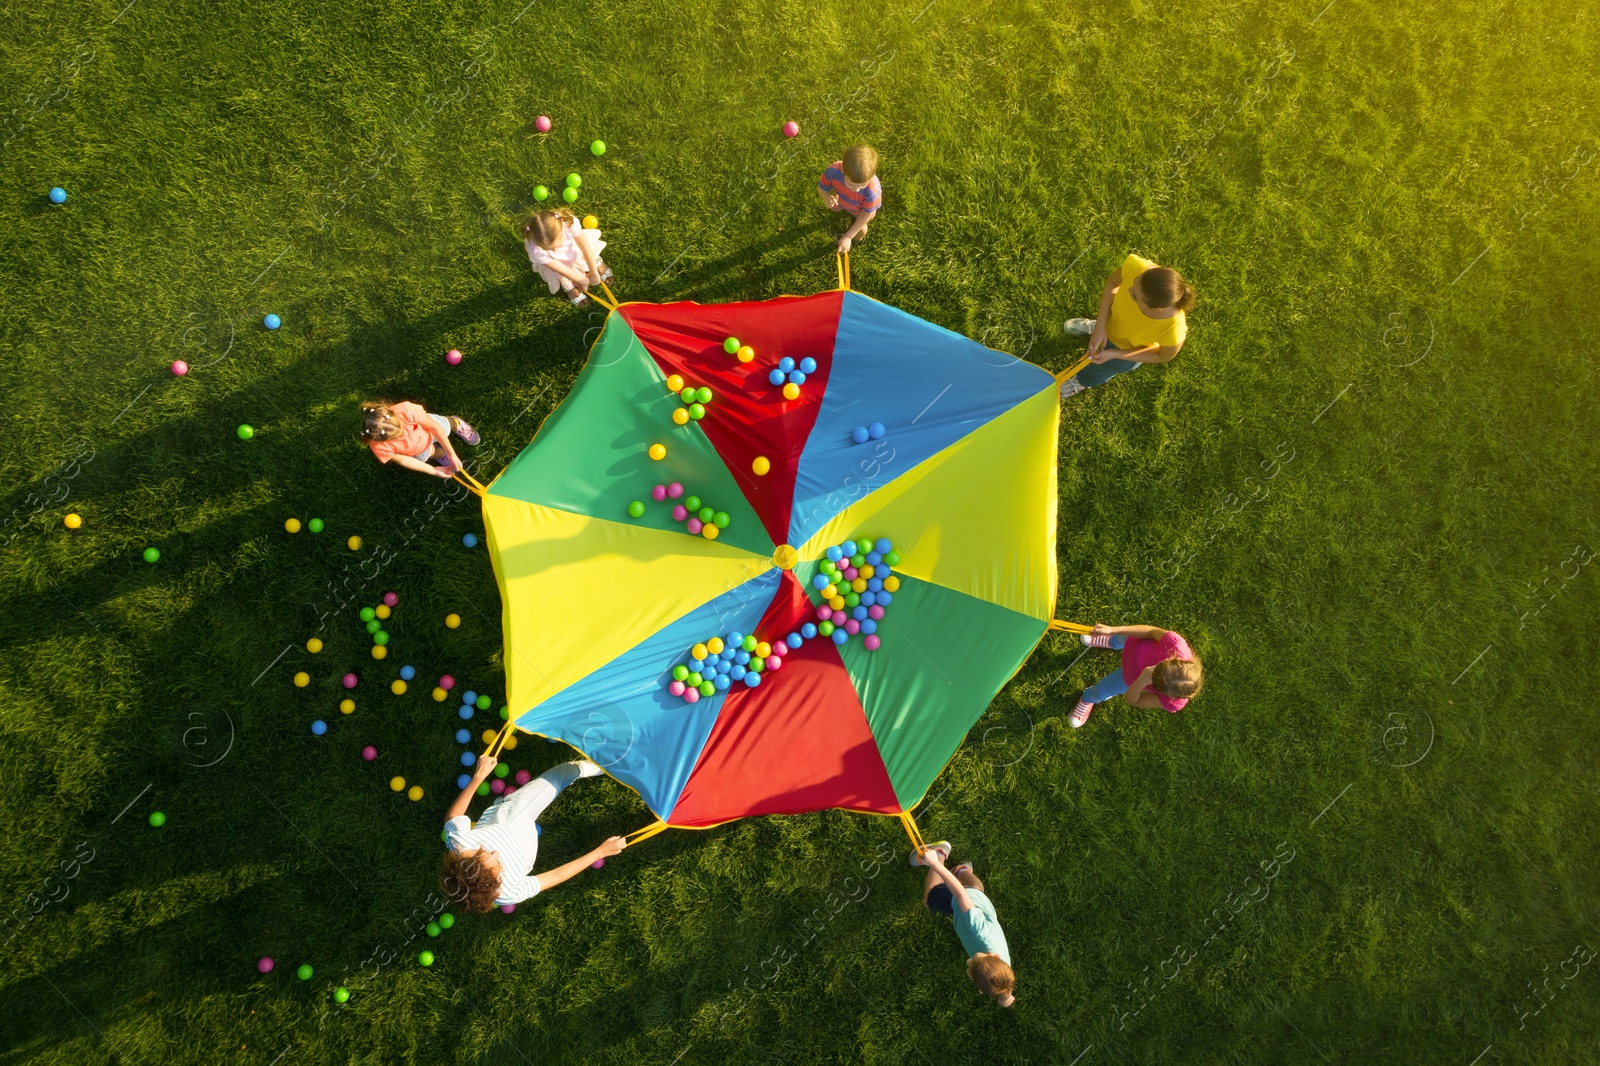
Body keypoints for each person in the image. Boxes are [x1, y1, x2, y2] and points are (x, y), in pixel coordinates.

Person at [440, 756, 626, 912]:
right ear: (495, 886)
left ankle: (582, 769)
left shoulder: (460, 845)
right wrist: (600, 852)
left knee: (562, 774)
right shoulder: (508, 892)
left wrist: (477, 778)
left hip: (516, 809)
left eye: (485, 852)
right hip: (527, 840)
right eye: (498, 864)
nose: (497, 853)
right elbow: (554, 876)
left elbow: (453, 816)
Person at [1059, 254, 1195, 398]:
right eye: (1134, 283)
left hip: (1126, 350)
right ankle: (1097, 327)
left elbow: (1162, 355)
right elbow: (1112, 282)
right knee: (1103, 329)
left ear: (1156, 309)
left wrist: (1115, 354)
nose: (1128, 290)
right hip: (1111, 322)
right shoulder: (1139, 267)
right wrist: (1100, 326)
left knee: (1100, 370)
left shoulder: (1174, 330)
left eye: (1135, 296)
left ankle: (1081, 381)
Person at [911, 840, 1015, 1007]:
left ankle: (962, 871)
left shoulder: (1004, 970)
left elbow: (1004, 985)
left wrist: (1005, 998)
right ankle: (938, 854)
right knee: (929, 898)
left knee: (977, 887)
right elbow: (959, 894)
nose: (968, 961)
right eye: (973, 960)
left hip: (979, 901)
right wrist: (935, 865)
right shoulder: (977, 930)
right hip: (963, 898)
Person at [1070, 623, 1204, 728]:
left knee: (1103, 690)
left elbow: (1132, 700)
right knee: (1122, 638)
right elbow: (1150, 631)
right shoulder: (1176, 645)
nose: (1149, 669)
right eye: (1158, 666)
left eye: (1153, 677)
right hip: (1135, 643)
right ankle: (1112, 641)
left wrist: (1141, 681)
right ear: (1173, 659)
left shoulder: (1173, 702)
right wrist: (1113, 630)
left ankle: (1088, 698)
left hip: (1129, 678)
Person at [360, 400, 479, 479]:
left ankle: (456, 423)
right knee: (429, 453)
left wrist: (451, 453)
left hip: (429, 429)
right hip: (416, 449)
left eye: (402, 429)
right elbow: (403, 460)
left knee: (447, 426)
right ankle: (440, 454)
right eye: (397, 437)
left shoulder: (406, 410)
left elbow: (434, 427)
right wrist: (434, 470)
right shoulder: (378, 446)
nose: (404, 435)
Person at [521, 209, 612, 306]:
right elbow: (562, 269)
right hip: (557, 263)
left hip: (573, 249)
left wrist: (593, 272)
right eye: (550, 248)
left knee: (585, 253)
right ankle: (568, 285)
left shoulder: (568, 222)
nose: (556, 249)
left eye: (558, 243)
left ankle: (595, 262)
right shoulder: (535, 249)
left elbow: (585, 247)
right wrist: (582, 280)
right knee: (559, 275)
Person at [816, 144, 882, 254]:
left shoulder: (872, 191)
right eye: (851, 184)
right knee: (835, 208)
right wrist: (826, 197)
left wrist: (848, 237)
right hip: (842, 199)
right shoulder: (833, 171)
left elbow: (866, 214)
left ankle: (857, 240)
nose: (856, 190)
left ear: (871, 177)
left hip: (860, 211)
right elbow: (822, 187)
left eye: (862, 185)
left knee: (860, 229)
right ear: (842, 170)